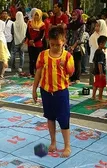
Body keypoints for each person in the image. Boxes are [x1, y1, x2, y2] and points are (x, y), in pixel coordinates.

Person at [32, 26, 74, 158]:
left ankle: (67, 146)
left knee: (63, 118)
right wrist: (34, 89)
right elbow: (38, 72)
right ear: (48, 41)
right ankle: (53, 142)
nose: (55, 47)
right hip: (46, 91)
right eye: (52, 44)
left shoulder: (67, 56)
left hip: (61, 92)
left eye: (58, 44)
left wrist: (64, 66)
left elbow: (71, 72)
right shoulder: (43, 55)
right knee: (50, 117)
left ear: (64, 41)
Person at [67, 9, 85, 83]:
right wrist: (67, 44)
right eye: (73, 15)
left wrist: (73, 46)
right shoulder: (70, 24)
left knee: (77, 62)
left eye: (75, 15)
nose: (73, 17)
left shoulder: (82, 24)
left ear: (79, 15)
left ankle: (77, 78)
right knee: (70, 62)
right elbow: (68, 35)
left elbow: (80, 37)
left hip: (77, 46)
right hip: (69, 45)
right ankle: (71, 76)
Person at [26, 9, 45, 77]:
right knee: (31, 59)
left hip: (38, 44)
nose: (36, 16)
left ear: (40, 15)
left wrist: (34, 41)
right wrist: (30, 40)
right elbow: (27, 33)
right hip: (30, 43)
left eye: (37, 15)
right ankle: (31, 73)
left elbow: (41, 35)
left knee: (37, 59)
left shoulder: (42, 24)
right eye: (35, 14)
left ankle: (37, 72)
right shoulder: (30, 22)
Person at [92, 36, 107, 101]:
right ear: (101, 44)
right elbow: (100, 63)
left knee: (96, 83)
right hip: (100, 72)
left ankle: (93, 96)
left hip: (96, 71)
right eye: (106, 43)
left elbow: (94, 61)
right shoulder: (101, 53)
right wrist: (101, 73)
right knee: (101, 84)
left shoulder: (97, 51)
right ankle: (100, 97)